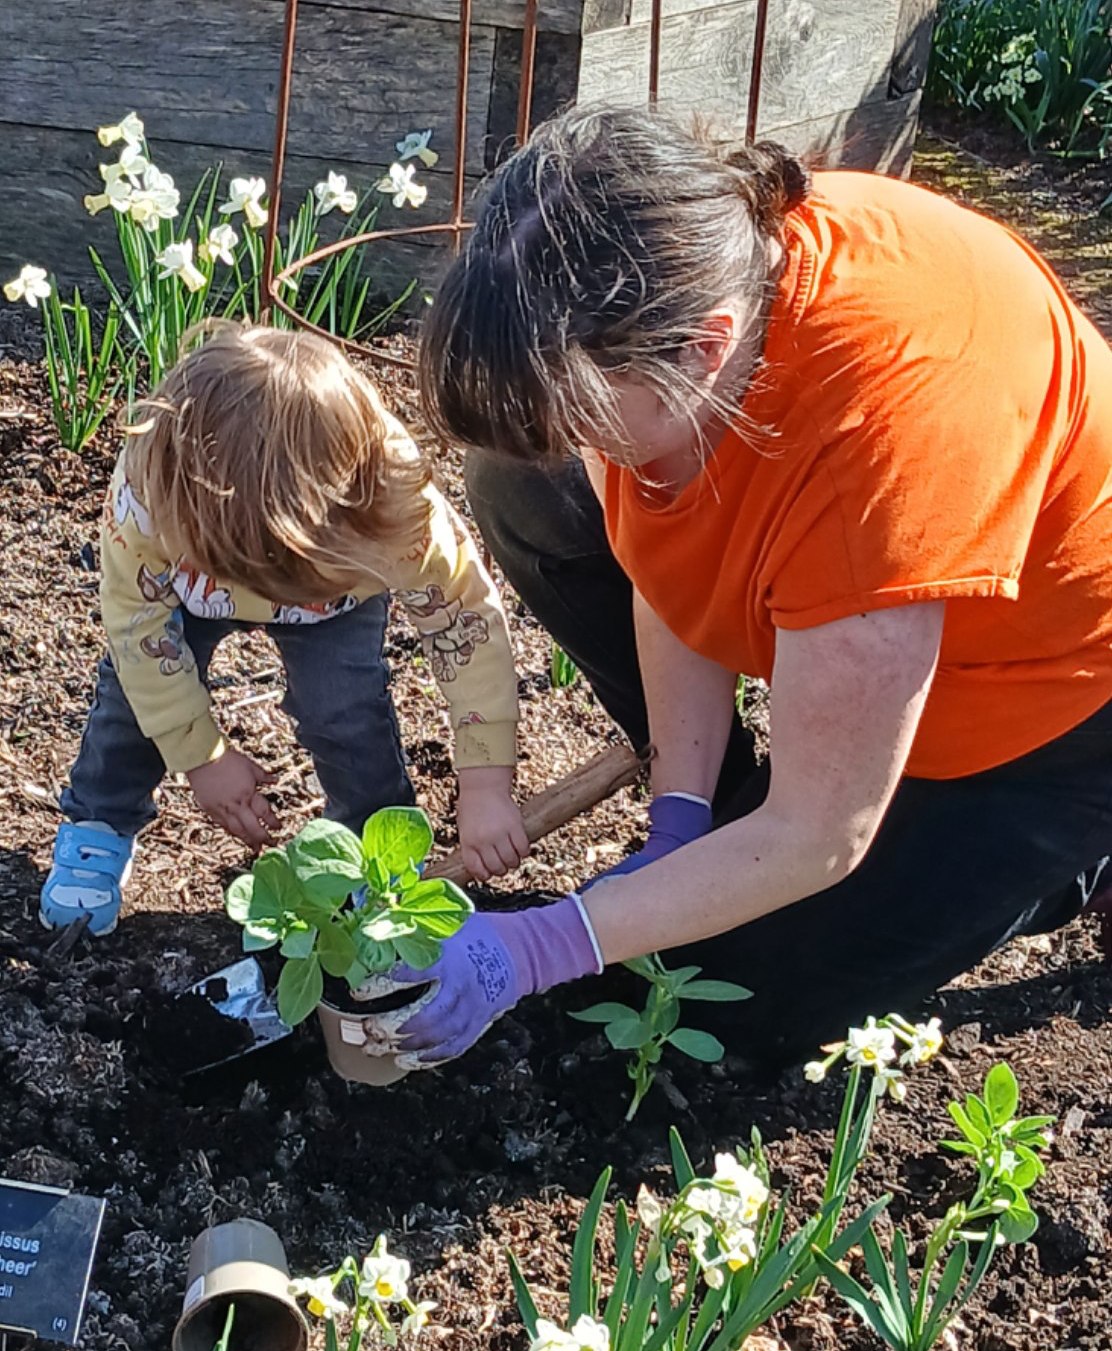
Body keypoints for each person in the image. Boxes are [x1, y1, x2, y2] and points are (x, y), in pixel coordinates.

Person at [380, 104, 1112, 1072]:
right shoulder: (713, 267)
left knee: (737, 1002)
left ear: (703, 348)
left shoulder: (879, 452)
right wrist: (680, 811)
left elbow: (819, 831)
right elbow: (667, 558)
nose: (585, 446)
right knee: (526, 485)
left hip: (1041, 698)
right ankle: (725, 823)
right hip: (861, 614)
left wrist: (544, 943)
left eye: (591, 418)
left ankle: (1068, 860)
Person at [40, 322, 527, 938]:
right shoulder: (151, 502)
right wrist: (202, 757)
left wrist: (485, 783)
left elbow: (465, 628)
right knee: (129, 709)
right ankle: (99, 821)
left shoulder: (398, 512)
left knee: (346, 713)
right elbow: (141, 639)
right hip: (188, 591)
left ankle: (371, 849)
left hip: (338, 598)